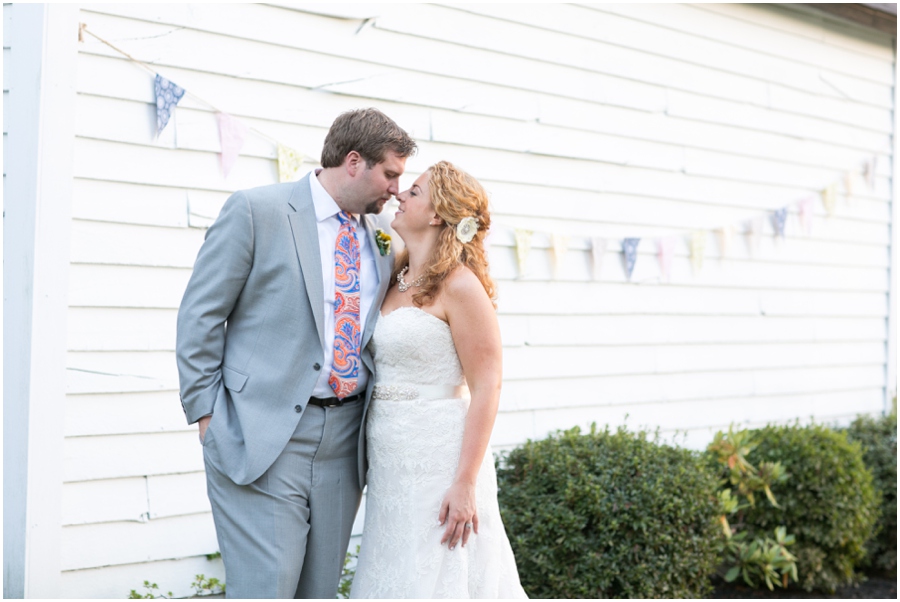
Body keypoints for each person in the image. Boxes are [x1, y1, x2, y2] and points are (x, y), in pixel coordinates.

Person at [175, 108, 417, 599]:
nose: (396, 189)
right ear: (354, 162)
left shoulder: (383, 238)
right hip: (263, 431)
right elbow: (200, 315)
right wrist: (206, 413)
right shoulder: (255, 211)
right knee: (267, 587)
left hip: (346, 441)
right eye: (391, 174)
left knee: (319, 590)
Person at [350, 161, 528, 598]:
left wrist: (465, 483)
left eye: (412, 191)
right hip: (392, 455)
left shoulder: (461, 286)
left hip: (442, 457)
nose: (399, 195)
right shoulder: (394, 274)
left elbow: (488, 386)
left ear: (435, 214)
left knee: (443, 571)